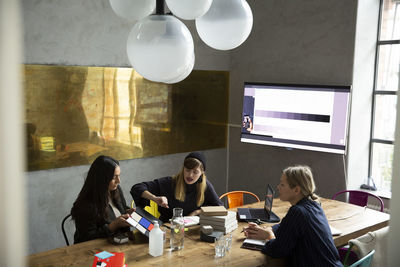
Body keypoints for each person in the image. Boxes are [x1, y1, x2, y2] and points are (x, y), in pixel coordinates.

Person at [243, 165, 342, 267]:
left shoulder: (298, 211)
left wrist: (269, 236)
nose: (278, 187)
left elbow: (278, 251)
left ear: (296, 190)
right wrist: (270, 229)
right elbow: (289, 226)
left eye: (282, 184)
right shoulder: (314, 205)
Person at [130, 151, 223, 222]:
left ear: (202, 173)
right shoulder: (169, 182)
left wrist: (197, 212)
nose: (190, 175)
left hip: (193, 230)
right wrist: (154, 198)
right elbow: (137, 188)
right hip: (168, 229)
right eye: (187, 170)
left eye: (195, 172)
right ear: (183, 168)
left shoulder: (205, 185)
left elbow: (220, 207)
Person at [71, 155, 134, 243]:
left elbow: (116, 210)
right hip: (93, 250)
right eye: (113, 177)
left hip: (118, 243)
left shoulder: (115, 190)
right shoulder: (84, 205)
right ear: (101, 179)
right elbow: (87, 238)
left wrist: (127, 212)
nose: (118, 181)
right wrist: (113, 226)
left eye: (119, 176)